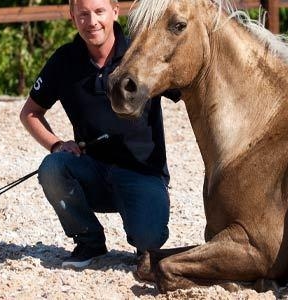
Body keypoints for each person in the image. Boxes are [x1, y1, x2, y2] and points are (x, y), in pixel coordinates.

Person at [19, 0, 179, 268]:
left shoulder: (142, 52)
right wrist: (56, 144)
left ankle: (145, 232)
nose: (91, 21)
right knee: (52, 168)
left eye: (99, 12)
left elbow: (188, 92)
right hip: (92, 172)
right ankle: (89, 241)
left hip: (142, 173)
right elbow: (30, 113)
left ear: (115, 11)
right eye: (82, 14)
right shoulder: (64, 61)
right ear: (72, 17)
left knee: (149, 242)